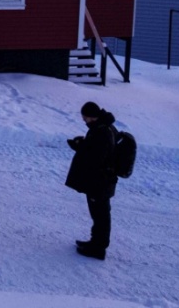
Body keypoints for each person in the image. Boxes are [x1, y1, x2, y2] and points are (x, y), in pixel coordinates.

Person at [66, 101, 118, 261]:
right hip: (103, 180)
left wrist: (79, 147)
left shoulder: (102, 131)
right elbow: (96, 150)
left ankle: (98, 248)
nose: (84, 121)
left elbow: (96, 159)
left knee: (100, 215)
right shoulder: (104, 127)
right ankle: (95, 242)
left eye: (85, 118)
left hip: (100, 182)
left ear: (92, 116)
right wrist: (83, 144)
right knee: (99, 214)